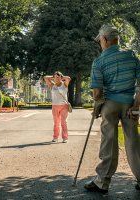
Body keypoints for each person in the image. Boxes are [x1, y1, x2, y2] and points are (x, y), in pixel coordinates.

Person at [84, 24, 140, 194]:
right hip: (130, 103)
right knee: (134, 143)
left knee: (108, 141)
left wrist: (97, 104)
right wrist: (136, 105)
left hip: (110, 104)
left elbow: (97, 92)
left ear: (106, 40)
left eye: (100, 41)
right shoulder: (131, 56)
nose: (100, 44)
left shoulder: (99, 61)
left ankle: (102, 182)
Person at [44, 71, 71, 143]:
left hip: (64, 106)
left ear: (61, 77)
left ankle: (65, 138)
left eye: (58, 77)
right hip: (55, 106)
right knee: (56, 123)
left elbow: (68, 78)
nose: (57, 78)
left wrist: (61, 77)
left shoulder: (65, 84)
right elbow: (45, 78)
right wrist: (53, 77)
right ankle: (55, 137)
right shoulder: (52, 85)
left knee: (63, 122)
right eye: (55, 77)